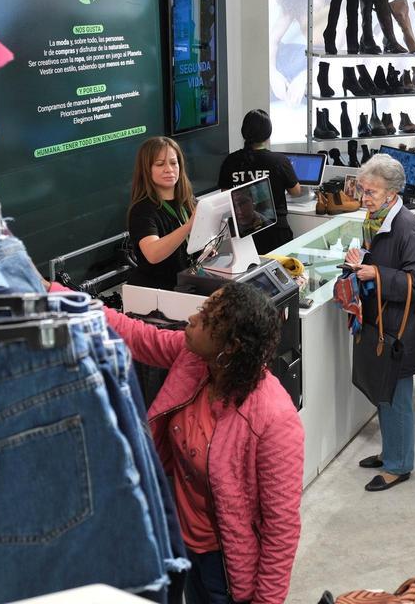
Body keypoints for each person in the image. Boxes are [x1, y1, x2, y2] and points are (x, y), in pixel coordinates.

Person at [87, 282, 304, 604]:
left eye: (205, 317)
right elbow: (139, 336)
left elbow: (281, 528)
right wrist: (62, 297)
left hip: (225, 568)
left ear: (230, 345)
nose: (192, 318)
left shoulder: (274, 418)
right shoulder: (195, 360)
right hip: (183, 545)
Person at [344, 154, 415, 492]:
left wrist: (376, 273)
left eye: (370, 192)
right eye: (362, 190)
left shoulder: (404, 226)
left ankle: (399, 465)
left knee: (396, 396)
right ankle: (391, 452)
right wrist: (361, 261)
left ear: (392, 193)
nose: (364, 198)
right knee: (384, 392)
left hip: (400, 328)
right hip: (384, 322)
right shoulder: (377, 218)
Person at [218, 109, 302, 253]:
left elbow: (225, 196)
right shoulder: (279, 161)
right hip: (276, 233)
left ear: (244, 132)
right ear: (268, 133)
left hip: (243, 235)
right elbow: (296, 191)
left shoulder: (230, 161)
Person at [128, 136, 197, 291]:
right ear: (146, 170)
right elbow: (153, 254)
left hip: (187, 284)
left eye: (173, 163)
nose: (169, 169)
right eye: (160, 164)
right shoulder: (142, 209)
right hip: (158, 292)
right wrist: (188, 226)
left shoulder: (188, 200)